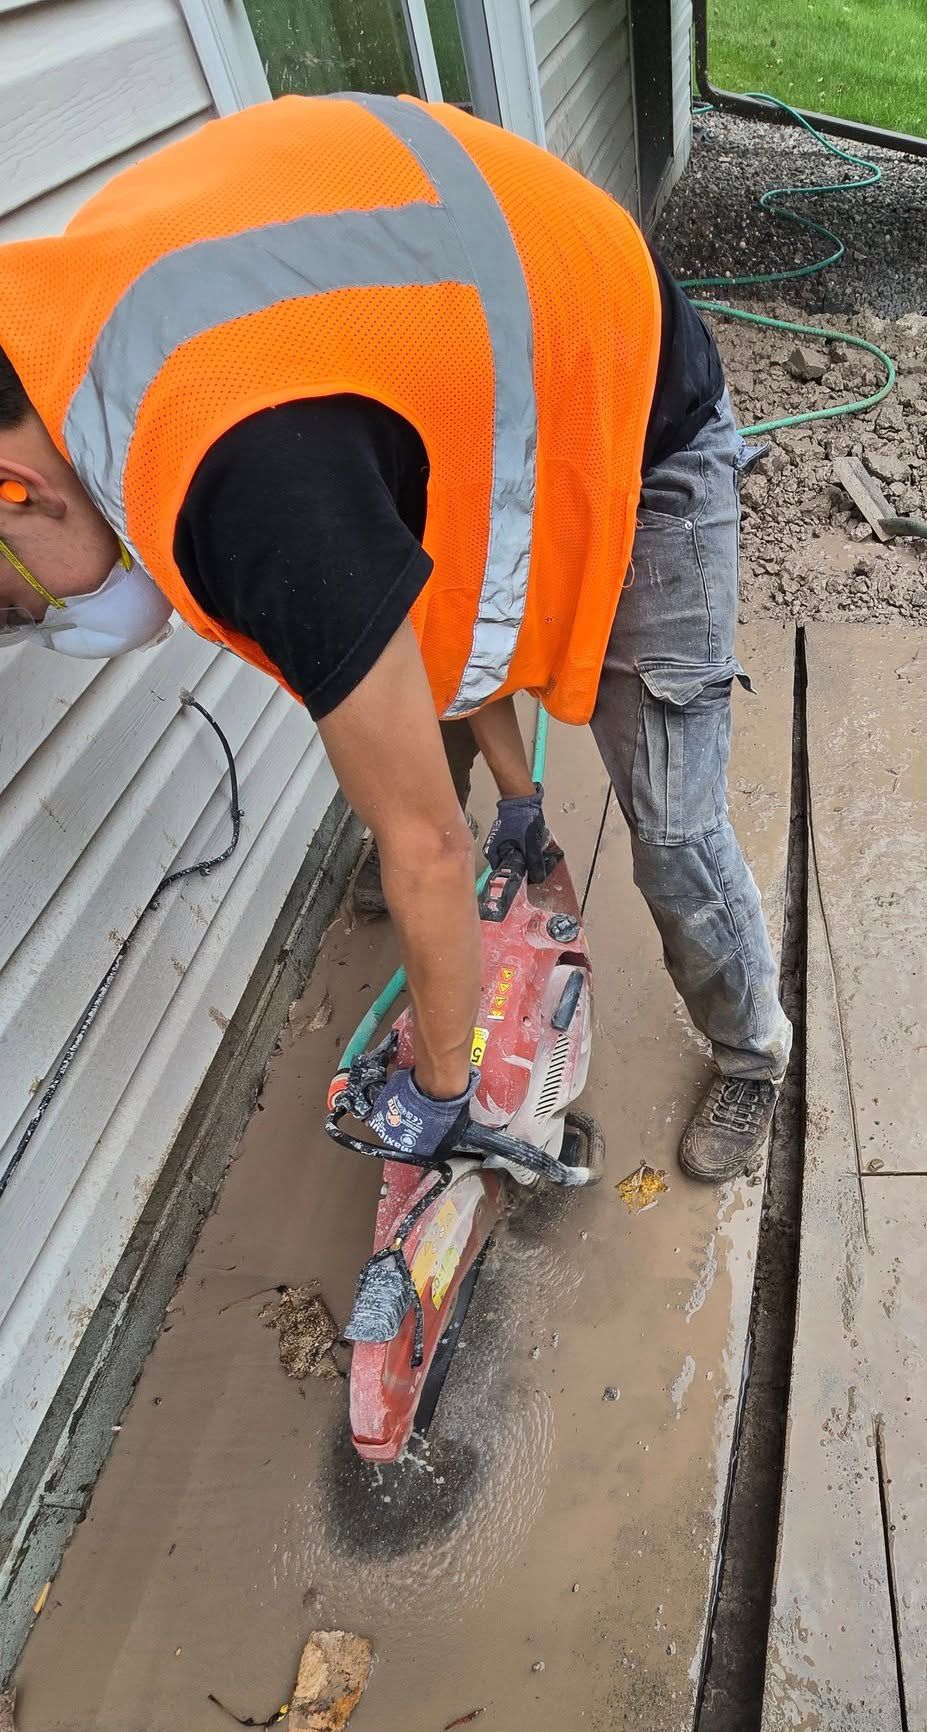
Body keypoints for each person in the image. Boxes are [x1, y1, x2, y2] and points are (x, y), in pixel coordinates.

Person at [0, 91, 790, 1184]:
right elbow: (441, 586)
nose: (36, 620)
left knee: (671, 816)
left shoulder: (239, 484)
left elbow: (428, 844)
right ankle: (490, 851)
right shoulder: (60, 327)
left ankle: (755, 1051)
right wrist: (519, 803)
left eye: (12, 600)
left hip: (639, 410)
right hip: (514, 378)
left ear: (17, 489)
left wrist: (437, 1090)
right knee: (408, 741)